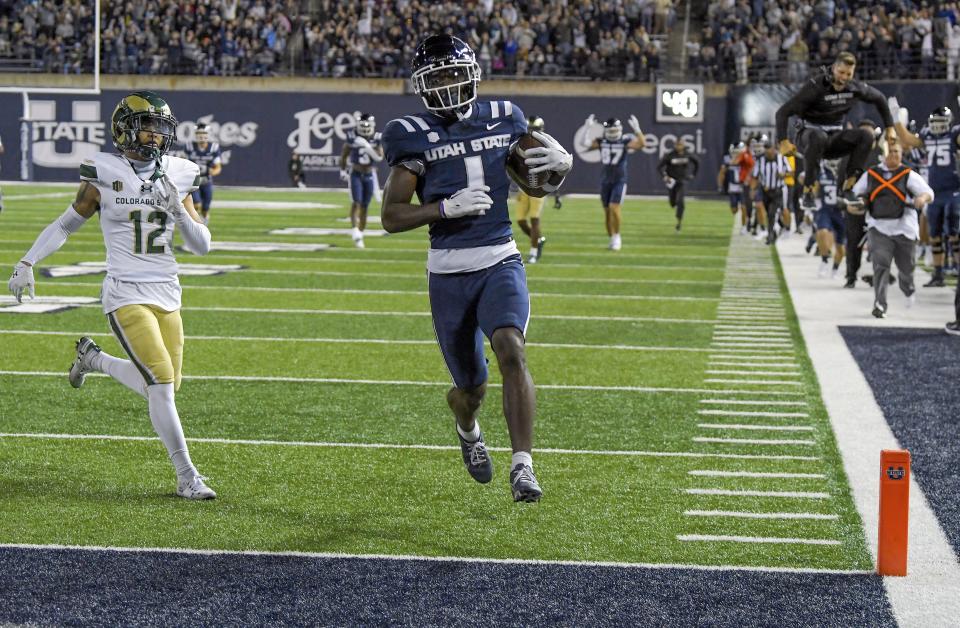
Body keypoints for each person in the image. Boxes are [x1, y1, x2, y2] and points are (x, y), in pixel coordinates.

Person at [380, 35, 572, 502]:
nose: (446, 85)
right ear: (422, 85)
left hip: (499, 257)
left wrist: (562, 165)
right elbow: (390, 216)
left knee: (512, 348)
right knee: (471, 388)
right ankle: (467, 427)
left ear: (472, 76)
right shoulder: (408, 133)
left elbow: (537, 177)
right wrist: (443, 209)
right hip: (448, 271)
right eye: (437, 77)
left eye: (452, 74)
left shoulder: (506, 117)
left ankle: (523, 466)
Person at [6, 91, 216, 499]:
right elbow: (66, 225)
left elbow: (203, 246)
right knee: (159, 381)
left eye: (161, 130)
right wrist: (27, 262)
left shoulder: (179, 172)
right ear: (124, 130)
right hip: (124, 292)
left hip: (168, 291)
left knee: (164, 386)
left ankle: (94, 359)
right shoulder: (103, 171)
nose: (155, 138)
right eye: (147, 128)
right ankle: (187, 475)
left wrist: (177, 209)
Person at [775, 52, 896, 212]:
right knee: (818, 136)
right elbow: (782, 112)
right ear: (833, 69)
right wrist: (783, 141)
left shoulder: (855, 88)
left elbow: (880, 98)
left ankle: (848, 187)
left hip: (833, 139)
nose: (844, 78)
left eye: (848, 74)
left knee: (866, 135)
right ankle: (808, 190)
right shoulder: (816, 87)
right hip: (808, 136)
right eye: (841, 72)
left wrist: (890, 127)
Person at [851, 141, 933, 318]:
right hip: (878, 226)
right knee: (881, 264)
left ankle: (908, 288)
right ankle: (879, 304)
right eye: (890, 151)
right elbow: (856, 194)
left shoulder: (908, 174)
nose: (893, 155)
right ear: (883, 153)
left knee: (906, 268)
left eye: (897, 151)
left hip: (905, 228)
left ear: (902, 154)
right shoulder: (871, 174)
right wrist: (856, 204)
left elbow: (928, 192)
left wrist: (922, 199)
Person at [893, 103, 960, 288]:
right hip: (934, 192)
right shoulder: (927, 136)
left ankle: (957, 267)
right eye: (935, 121)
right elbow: (906, 140)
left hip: (954, 190)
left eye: (941, 121)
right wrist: (896, 119)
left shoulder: (954, 135)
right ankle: (938, 274)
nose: (937, 125)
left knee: (954, 233)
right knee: (935, 235)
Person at [582, 114, 645, 250]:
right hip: (606, 181)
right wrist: (587, 128)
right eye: (610, 131)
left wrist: (637, 129)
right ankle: (612, 238)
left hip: (619, 180)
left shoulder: (624, 141)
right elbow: (584, 143)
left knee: (614, 208)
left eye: (615, 131)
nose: (613, 133)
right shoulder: (602, 141)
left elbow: (642, 144)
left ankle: (617, 237)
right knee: (606, 212)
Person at [340, 112, 384, 249]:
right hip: (356, 173)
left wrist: (367, 147)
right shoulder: (352, 136)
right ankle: (355, 231)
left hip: (369, 174)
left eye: (367, 126)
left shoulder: (377, 137)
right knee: (356, 202)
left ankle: (361, 233)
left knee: (365, 206)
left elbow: (379, 157)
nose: (365, 128)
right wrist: (342, 170)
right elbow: (344, 154)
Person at [515, 115, 548, 263]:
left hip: (538, 187)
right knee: (521, 221)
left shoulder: (546, 145)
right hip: (523, 186)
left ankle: (534, 252)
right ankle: (539, 240)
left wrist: (557, 193)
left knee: (534, 219)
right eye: (530, 129)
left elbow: (555, 169)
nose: (532, 132)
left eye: (535, 129)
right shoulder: (520, 143)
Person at [749, 138, 790, 245]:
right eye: (766, 148)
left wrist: (784, 175)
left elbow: (791, 173)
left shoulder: (782, 159)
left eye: (769, 148)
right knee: (768, 212)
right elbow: (755, 176)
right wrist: (753, 189)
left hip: (778, 190)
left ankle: (771, 235)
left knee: (773, 213)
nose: (768, 151)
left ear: (774, 149)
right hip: (765, 190)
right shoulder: (760, 160)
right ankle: (776, 229)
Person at [182, 122, 222, 225]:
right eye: (199, 133)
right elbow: (182, 162)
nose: (201, 136)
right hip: (193, 180)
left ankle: (204, 218)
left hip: (206, 181)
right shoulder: (190, 146)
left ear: (208, 135)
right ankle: (195, 223)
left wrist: (210, 171)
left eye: (204, 133)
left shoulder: (214, 147)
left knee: (205, 208)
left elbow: (218, 168)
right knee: (196, 204)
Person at [658, 138, 700, 232]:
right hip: (672, 182)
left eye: (680, 144)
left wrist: (693, 174)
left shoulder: (687, 154)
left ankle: (679, 222)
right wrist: (665, 176)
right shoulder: (670, 155)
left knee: (681, 201)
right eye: (677, 145)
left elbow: (697, 162)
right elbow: (659, 167)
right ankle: (676, 205)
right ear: (674, 145)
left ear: (684, 145)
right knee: (673, 203)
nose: (679, 147)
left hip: (682, 181)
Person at [814, 159, 846, 278]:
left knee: (841, 249)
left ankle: (835, 269)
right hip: (825, 209)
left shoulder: (845, 171)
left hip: (840, 212)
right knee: (822, 232)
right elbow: (805, 179)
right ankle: (824, 260)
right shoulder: (821, 171)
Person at [718, 142, 745, 225]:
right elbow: (722, 172)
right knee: (734, 208)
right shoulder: (727, 159)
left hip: (743, 186)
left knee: (744, 207)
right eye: (734, 151)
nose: (736, 154)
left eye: (738, 152)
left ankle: (745, 226)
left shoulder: (746, 158)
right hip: (732, 186)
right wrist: (720, 185)